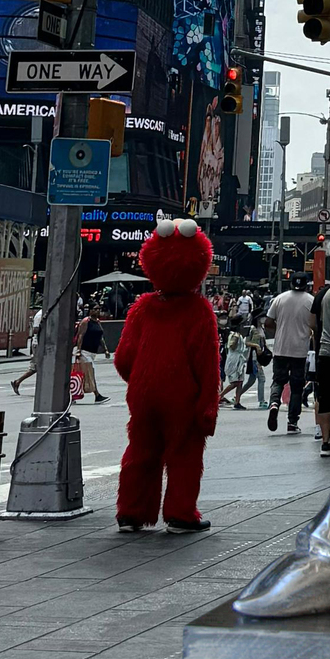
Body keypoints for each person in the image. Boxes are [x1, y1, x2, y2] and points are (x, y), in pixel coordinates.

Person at [112, 218, 220, 533]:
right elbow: (207, 364)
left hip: (144, 394)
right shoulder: (200, 312)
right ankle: (180, 513)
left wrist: (140, 380)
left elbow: (123, 358)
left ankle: (131, 511)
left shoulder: (142, 309)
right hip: (182, 396)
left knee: (141, 450)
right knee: (184, 454)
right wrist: (207, 405)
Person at [269, 274, 319, 439]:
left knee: (278, 381)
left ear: (291, 283)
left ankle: (274, 403)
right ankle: (292, 422)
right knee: (297, 387)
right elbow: (314, 325)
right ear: (306, 285)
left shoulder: (280, 299)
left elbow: (268, 322)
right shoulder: (310, 300)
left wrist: (279, 329)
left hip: (280, 349)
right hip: (299, 351)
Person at [71, 304, 109, 404]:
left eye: (99, 309)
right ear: (90, 310)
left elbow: (100, 337)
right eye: (95, 309)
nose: (97, 311)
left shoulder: (97, 322)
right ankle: (97, 395)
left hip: (92, 353)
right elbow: (80, 336)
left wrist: (105, 349)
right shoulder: (85, 321)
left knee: (84, 375)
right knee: (90, 373)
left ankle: (72, 396)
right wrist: (78, 350)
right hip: (84, 352)